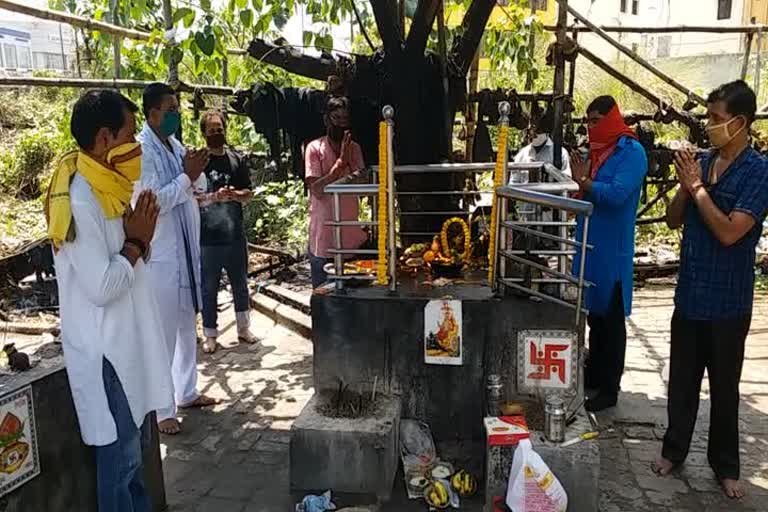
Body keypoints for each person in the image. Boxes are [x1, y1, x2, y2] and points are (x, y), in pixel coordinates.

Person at [46, 89, 172, 511]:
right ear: (104, 140)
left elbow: (129, 257)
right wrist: (137, 242)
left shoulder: (110, 189)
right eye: (130, 135)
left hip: (127, 343)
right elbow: (101, 287)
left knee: (135, 461)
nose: (136, 146)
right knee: (121, 465)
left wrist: (139, 241)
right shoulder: (81, 199)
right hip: (107, 354)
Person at [653, 80, 768, 500]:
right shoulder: (702, 160)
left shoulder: (759, 172)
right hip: (690, 295)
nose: (710, 126)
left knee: (724, 388)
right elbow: (671, 220)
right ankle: (673, 451)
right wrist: (686, 187)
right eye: (709, 117)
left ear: (740, 123)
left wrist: (699, 189)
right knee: (681, 382)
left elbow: (729, 232)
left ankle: (726, 467)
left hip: (728, 302)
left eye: (717, 119)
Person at [137, 82, 217, 435]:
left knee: (187, 325)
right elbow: (155, 201)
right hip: (162, 254)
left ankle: (186, 392)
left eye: (176, 108)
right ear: (152, 113)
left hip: (185, 247)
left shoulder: (173, 144)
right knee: (164, 331)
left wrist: (195, 176)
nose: (176, 114)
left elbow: (195, 186)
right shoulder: (143, 150)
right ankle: (161, 408)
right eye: (170, 109)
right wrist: (187, 176)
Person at [570, 96, 648, 412]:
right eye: (587, 121)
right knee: (595, 319)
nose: (591, 127)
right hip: (591, 245)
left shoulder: (632, 152)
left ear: (612, 118)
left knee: (612, 322)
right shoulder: (598, 153)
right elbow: (583, 190)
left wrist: (585, 182)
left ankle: (610, 389)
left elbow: (616, 195)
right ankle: (596, 375)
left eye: (596, 120)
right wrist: (582, 181)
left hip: (612, 249)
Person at [197, 109, 257, 354]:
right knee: (208, 287)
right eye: (211, 131)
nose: (216, 134)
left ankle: (243, 328)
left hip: (234, 235)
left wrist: (234, 194)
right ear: (204, 134)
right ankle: (210, 334)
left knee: (240, 283)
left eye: (219, 130)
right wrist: (213, 197)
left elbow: (249, 194)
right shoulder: (199, 161)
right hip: (208, 237)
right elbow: (193, 197)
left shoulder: (235, 159)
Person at [305, 96, 367, 288]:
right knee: (324, 298)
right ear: (326, 120)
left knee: (352, 296)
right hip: (323, 238)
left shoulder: (354, 148)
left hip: (350, 236)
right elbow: (316, 189)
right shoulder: (314, 148)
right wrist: (339, 167)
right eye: (336, 118)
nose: (340, 123)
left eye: (344, 119)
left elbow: (363, 180)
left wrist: (346, 166)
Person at [511, 108, 571, 178]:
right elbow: (514, 182)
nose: (536, 133)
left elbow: (566, 181)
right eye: (533, 129)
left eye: (539, 130)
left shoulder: (561, 153)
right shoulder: (522, 155)